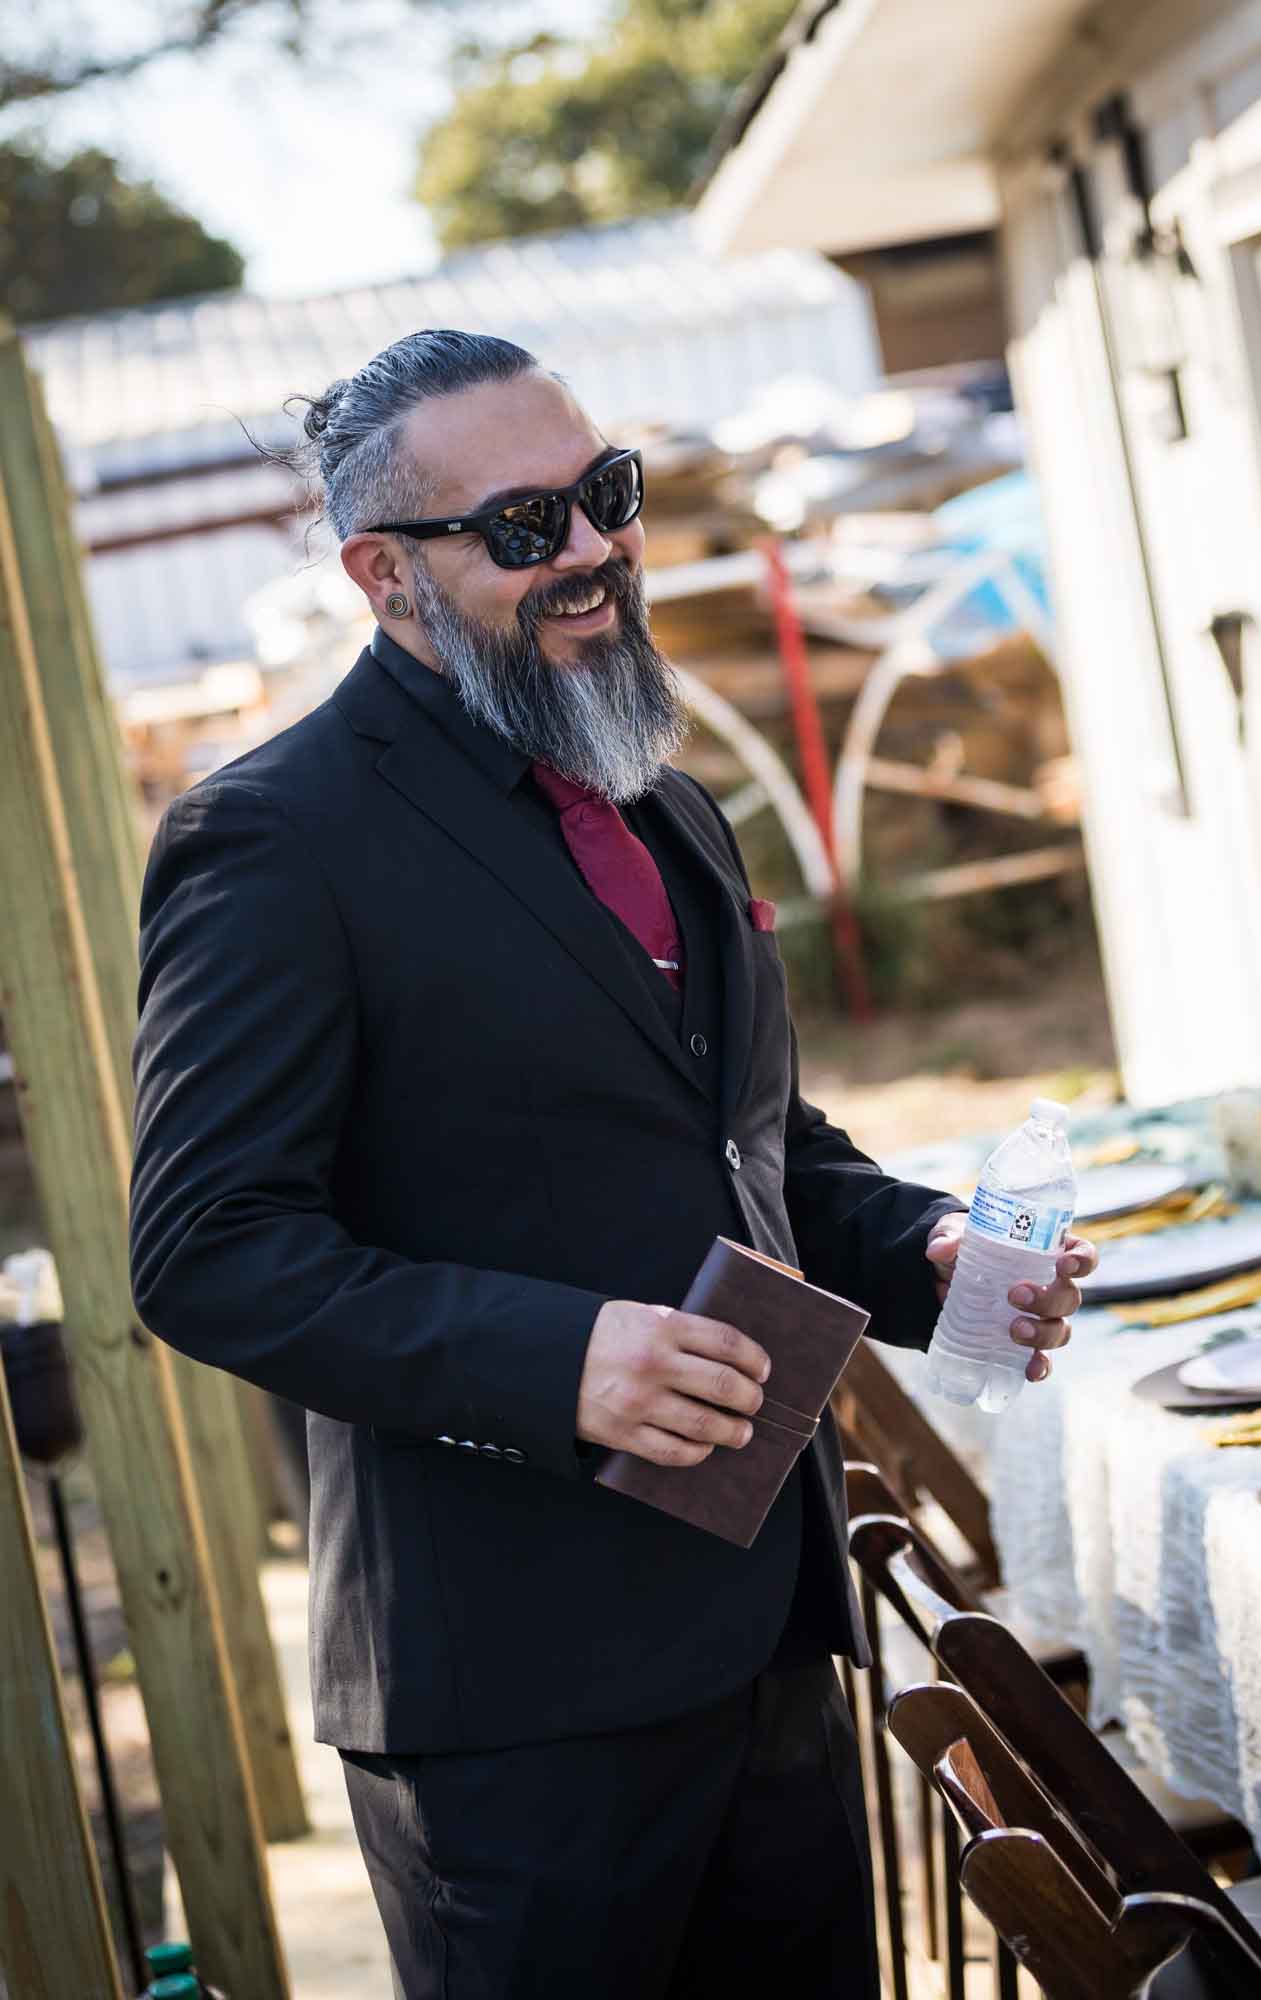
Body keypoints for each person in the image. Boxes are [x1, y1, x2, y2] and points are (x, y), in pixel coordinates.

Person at [130, 330, 1097, 1999]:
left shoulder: (666, 799)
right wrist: (556, 1357)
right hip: (510, 1695)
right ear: (384, 575)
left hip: (767, 1622)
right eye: (520, 526)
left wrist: (922, 1239)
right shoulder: (273, 838)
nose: (588, 552)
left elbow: (752, 1143)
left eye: (604, 496)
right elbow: (208, 1246)